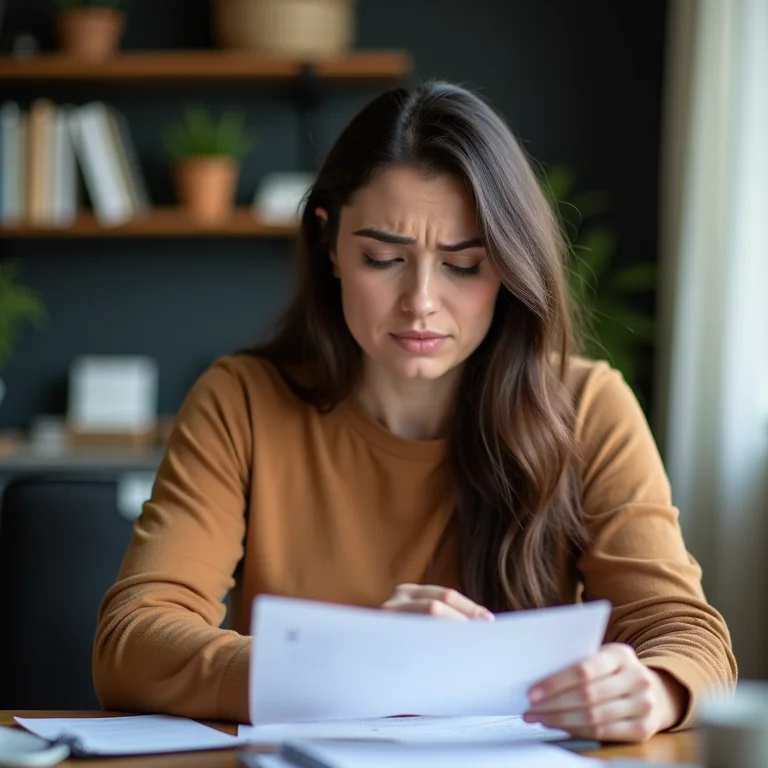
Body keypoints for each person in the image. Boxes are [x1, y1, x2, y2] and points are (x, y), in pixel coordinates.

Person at [93, 80, 736, 743]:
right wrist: (349, 663)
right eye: (384, 258)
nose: (421, 301)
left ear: (510, 268)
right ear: (330, 243)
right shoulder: (241, 402)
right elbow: (131, 641)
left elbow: (689, 637)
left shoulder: (588, 407)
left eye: (464, 265)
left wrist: (653, 689)